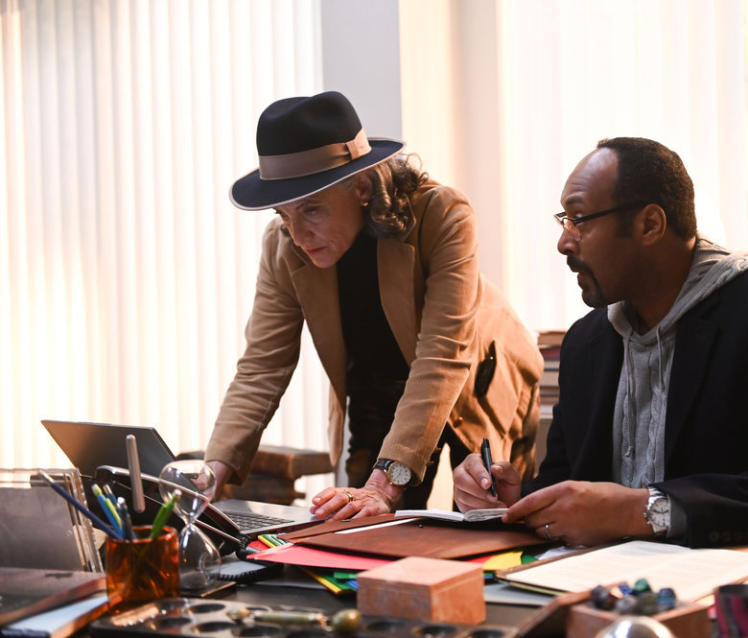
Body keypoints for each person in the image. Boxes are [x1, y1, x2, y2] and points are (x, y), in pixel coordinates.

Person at [453, 137, 748, 547]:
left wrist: (645, 510)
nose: (564, 241)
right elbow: (570, 482)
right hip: (606, 593)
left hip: (736, 590)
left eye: (579, 219)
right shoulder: (586, 342)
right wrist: (517, 502)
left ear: (650, 224)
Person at [204, 91, 543, 519]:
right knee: (360, 526)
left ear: (361, 186)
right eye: (283, 213)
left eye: (311, 210)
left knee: (487, 516)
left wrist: (385, 484)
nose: (298, 233)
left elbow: (443, 354)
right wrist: (209, 475)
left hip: (477, 378)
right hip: (376, 386)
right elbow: (261, 366)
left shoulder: (441, 213)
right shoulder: (283, 243)